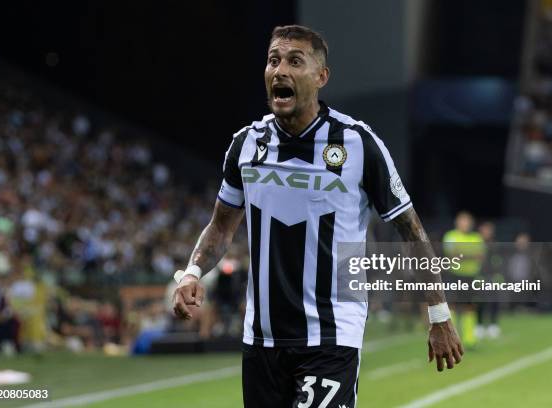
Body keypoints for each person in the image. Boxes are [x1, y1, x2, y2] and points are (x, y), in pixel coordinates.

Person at [172, 25, 463, 407]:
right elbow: (221, 226)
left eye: (295, 61)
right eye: (274, 60)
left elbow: (411, 229)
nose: (280, 70)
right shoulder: (246, 145)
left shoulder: (359, 144)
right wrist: (192, 272)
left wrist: (438, 313)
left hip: (331, 336)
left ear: (321, 77)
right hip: (262, 341)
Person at [443, 212, 485, 348]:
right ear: (457, 222)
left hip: (470, 276)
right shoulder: (451, 236)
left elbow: (479, 256)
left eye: (466, 221)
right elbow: (452, 255)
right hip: (454, 275)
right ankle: (451, 338)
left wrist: (462, 254)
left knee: (469, 307)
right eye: (462, 221)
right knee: (452, 306)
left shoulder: (476, 238)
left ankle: (469, 339)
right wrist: (469, 254)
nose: (464, 224)